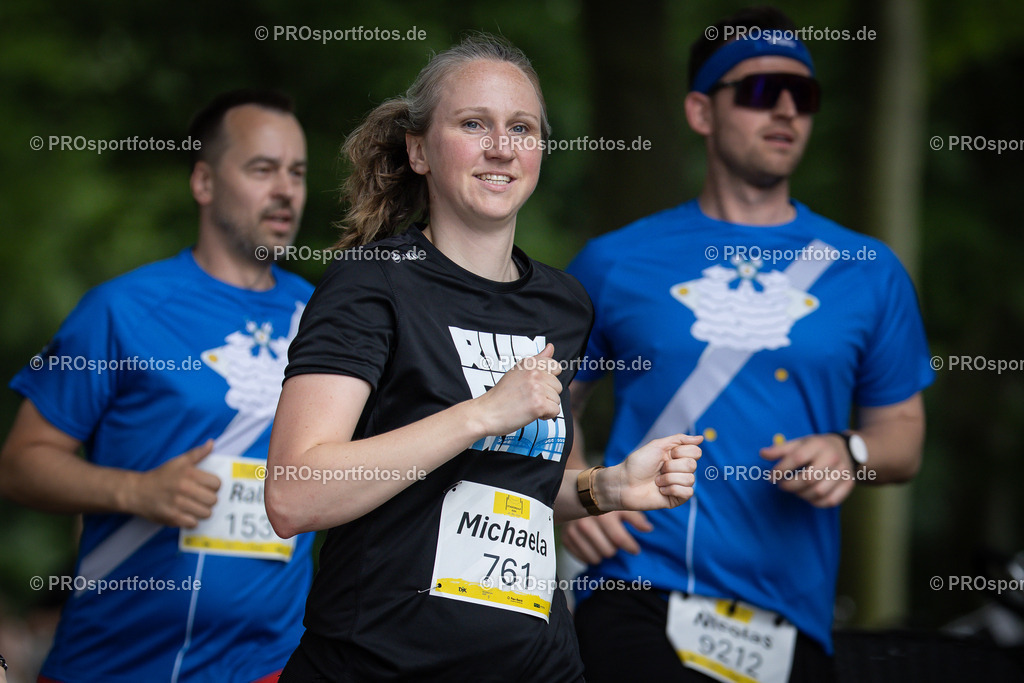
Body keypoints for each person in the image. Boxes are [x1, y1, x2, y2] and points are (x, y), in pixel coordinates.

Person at [264, 34, 702, 682]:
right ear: (419, 149)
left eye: (521, 128)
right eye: (474, 124)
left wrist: (606, 487)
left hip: (539, 666)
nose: (502, 147)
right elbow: (293, 493)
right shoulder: (371, 282)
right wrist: (482, 413)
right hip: (382, 665)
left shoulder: (564, 305)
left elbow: (507, 481)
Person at [561, 7, 934, 683]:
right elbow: (549, 401)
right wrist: (579, 491)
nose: (787, 109)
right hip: (637, 583)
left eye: (804, 95)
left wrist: (851, 450)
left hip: (792, 615)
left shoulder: (869, 270)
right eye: (762, 91)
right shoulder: (615, 260)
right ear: (701, 111)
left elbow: (903, 434)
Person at [0, 90, 314, 682]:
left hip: (270, 666)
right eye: (262, 169)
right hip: (115, 663)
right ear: (204, 181)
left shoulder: (325, 317)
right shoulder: (120, 310)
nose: (285, 191)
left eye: (296, 173)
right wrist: (135, 491)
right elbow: (19, 465)